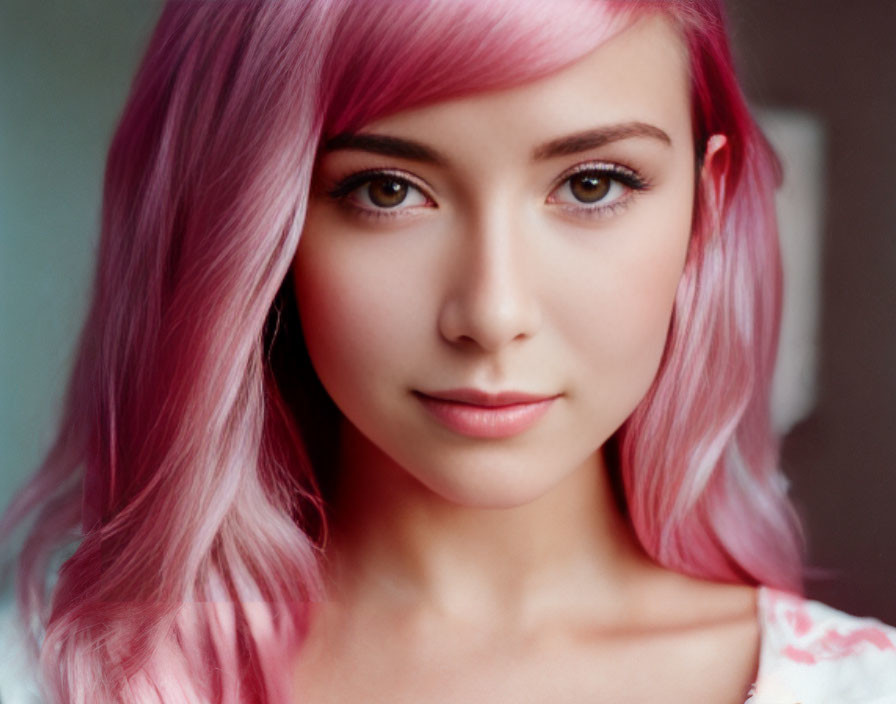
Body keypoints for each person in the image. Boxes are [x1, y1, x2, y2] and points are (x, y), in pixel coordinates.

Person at [1, 1, 894, 702]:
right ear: (246, 221)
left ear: (705, 205)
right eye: (386, 189)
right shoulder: (49, 680)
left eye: (592, 184)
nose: (492, 312)